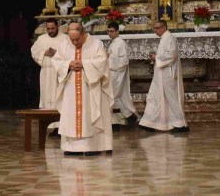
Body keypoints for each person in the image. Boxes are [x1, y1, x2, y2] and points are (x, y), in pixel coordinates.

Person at [50, 22, 113, 155]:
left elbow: (103, 61)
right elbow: (56, 61)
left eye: (77, 39)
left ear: (83, 33)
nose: (74, 42)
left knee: (90, 113)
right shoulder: (64, 45)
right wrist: (68, 64)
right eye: (71, 39)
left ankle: (92, 147)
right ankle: (72, 148)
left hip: (90, 87)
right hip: (70, 86)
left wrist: (84, 64)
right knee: (71, 115)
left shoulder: (96, 44)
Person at [139, 20, 188, 132]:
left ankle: (181, 124)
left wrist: (156, 57)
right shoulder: (165, 38)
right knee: (156, 97)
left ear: (163, 27)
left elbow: (172, 55)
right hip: (162, 74)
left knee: (172, 99)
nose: (155, 30)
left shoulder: (169, 38)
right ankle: (150, 123)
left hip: (168, 74)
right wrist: (156, 57)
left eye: (157, 28)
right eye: (154, 28)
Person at [31, 18, 71, 110]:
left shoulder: (65, 38)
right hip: (46, 72)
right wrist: (44, 53)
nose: (50, 31)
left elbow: (70, 53)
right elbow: (34, 51)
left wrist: (56, 53)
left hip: (59, 73)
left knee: (58, 94)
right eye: (48, 29)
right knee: (46, 93)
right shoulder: (41, 39)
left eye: (52, 28)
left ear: (57, 27)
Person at [106, 23, 139, 125]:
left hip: (117, 73)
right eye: (108, 31)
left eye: (111, 31)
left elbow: (124, 61)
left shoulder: (121, 43)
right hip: (112, 72)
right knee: (115, 96)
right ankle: (129, 116)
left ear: (117, 31)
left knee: (113, 96)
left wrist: (112, 65)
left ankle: (114, 122)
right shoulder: (113, 43)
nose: (109, 34)